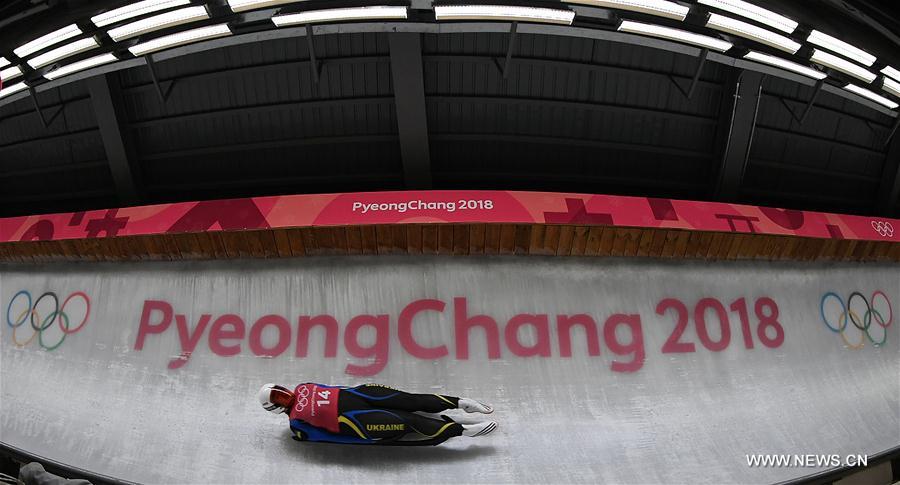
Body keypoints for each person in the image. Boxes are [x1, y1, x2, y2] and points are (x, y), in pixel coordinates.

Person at [258, 382, 497, 445]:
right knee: (408, 421)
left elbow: (334, 387)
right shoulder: (296, 424)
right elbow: (322, 437)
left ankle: (461, 402)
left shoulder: (303, 386)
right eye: (278, 397)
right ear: (275, 408)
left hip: (361, 395)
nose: (285, 395)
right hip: (355, 422)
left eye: (281, 391)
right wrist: (364, 439)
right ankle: (463, 431)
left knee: (409, 400)